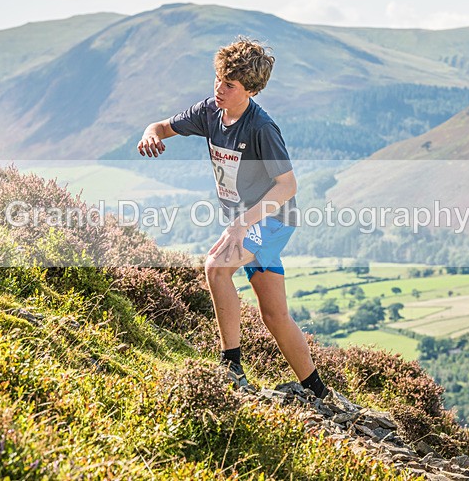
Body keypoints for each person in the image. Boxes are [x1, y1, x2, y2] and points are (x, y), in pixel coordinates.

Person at [137, 37, 329, 398]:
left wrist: (243, 223)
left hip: (272, 221)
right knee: (274, 316)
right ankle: (319, 392)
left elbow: (287, 186)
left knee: (216, 267)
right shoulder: (209, 111)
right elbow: (161, 126)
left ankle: (231, 367)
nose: (219, 89)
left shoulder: (261, 128)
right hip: (249, 223)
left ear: (251, 90)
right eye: (218, 79)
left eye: (230, 85)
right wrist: (150, 134)